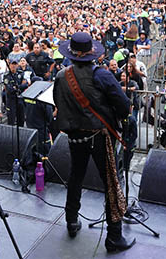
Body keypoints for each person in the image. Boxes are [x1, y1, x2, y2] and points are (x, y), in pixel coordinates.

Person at [53, 32, 134, 252]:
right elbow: (123, 106)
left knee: (76, 176)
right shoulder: (102, 75)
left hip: (74, 135)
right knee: (110, 182)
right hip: (100, 136)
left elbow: (58, 101)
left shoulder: (61, 75)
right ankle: (114, 236)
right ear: (92, 53)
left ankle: (71, 220)